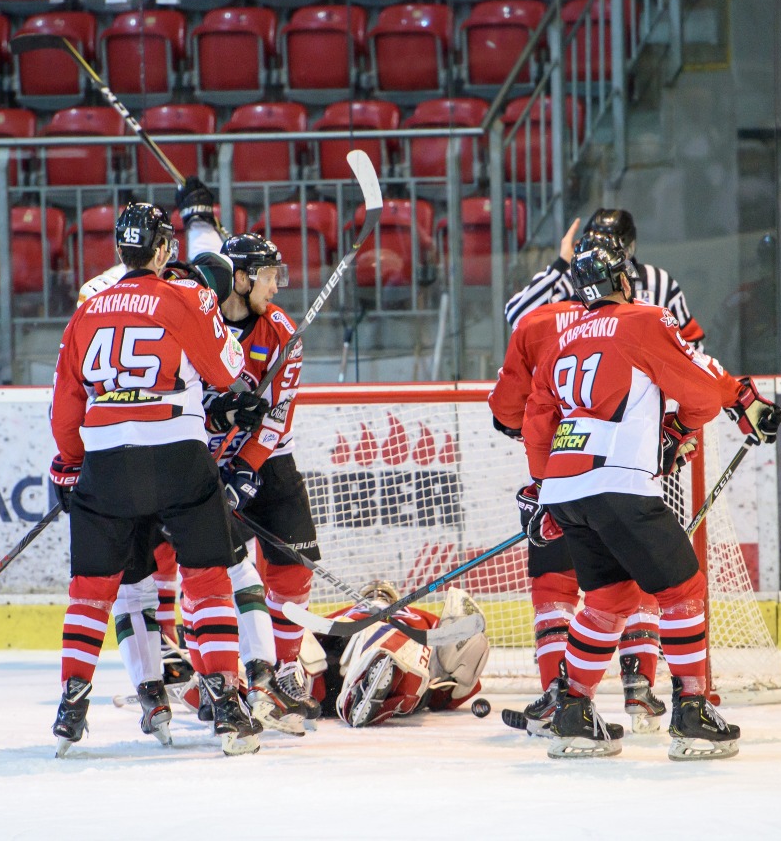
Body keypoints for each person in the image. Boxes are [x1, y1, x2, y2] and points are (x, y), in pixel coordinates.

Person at [521, 232, 781, 760]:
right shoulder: (642, 319)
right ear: (622, 279)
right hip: (619, 482)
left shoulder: (562, 338)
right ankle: (692, 711)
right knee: (683, 589)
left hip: (567, 489)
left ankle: (573, 712)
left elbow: (536, 421)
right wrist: (713, 412)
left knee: (609, 599)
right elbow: (699, 384)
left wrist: (546, 488)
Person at [48, 201, 264, 757]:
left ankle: (71, 706)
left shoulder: (87, 311)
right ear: (164, 248)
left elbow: (65, 408)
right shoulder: (183, 296)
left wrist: (70, 465)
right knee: (207, 579)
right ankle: (226, 704)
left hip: (106, 460)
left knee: (91, 590)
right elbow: (226, 369)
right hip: (176, 453)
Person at [174, 176, 325, 733]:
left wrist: (247, 467)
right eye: (267, 276)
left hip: (268, 457)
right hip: (206, 461)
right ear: (239, 278)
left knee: (296, 562)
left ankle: (284, 672)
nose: (276, 285)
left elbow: (278, 415)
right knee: (209, 571)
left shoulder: (282, 330)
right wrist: (224, 458)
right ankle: (217, 678)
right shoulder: (199, 325)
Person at [489, 295, 669, 736]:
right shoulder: (640, 316)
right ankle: (639, 685)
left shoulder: (537, 322)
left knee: (554, 585)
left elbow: (507, 409)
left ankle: (559, 695)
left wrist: (520, 429)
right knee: (634, 577)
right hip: (623, 475)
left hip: (559, 478)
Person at [504, 209, 706, 350]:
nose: (606, 260)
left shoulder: (659, 282)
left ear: (629, 249)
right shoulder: (570, 281)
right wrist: (561, 264)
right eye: (598, 251)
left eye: (613, 251)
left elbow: (692, 344)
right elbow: (517, 316)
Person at [301, 581, 491, 727]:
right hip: (340, 667)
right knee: (301, 639)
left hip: (409, 663)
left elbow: (447, 647)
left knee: (388, 637)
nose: (377, 596)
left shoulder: (416, 614)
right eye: (370, 594)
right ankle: (307, 696)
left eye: (384, 594)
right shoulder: (347, 613)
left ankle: (367, 687)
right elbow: (315, 636)